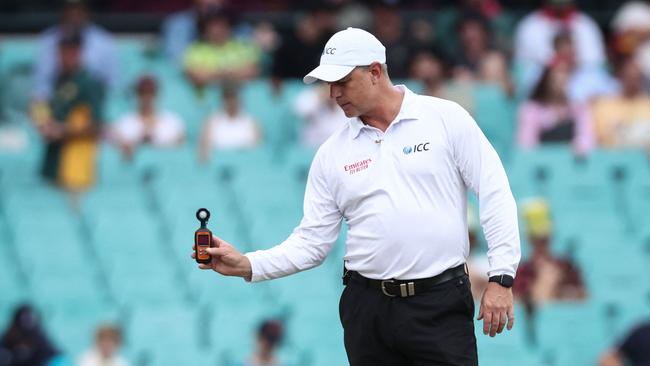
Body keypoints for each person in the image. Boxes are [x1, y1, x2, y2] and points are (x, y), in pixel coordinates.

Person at [192, 27, 521, 365]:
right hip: (367, 310)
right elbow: (312, 242)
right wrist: (249, 264)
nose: (333, 93)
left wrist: (501, 277)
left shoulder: (445, 119)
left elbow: (494, 191)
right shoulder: (331, 154)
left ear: (375, 71)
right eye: (329, 84)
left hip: (438, 303)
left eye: (342, 82)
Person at [31, 30, 104, 193]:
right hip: (53, 161)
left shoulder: (88, 83)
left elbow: (97, 126)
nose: (66, 57)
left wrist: (63, 131)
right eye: (63, 51)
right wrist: (40, 119)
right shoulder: (58, 79)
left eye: (72, 51)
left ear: (79, 53)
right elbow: (49, 111)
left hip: (75, 164)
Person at [514, 0, 606, 96]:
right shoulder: (529, 26)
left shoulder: (587, 26)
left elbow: (597, 71)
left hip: (582, 94)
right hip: (543, 97)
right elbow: (523, 78)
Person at [32, 0, 116, 101]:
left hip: (92, 106)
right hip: (53, 104)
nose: (73, 14)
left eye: (78, 9)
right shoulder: (47, 40)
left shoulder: (104, 42)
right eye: (70, 9)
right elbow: (41, 85)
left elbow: (112, 86)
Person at [513, 198, 586, 306]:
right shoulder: (521, 272)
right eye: (537, 240)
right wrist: (546, 282)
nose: (541, 245)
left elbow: (584, 298)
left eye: (545, 240)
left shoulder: (567, 267)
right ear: (529, 239)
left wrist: (566, 293)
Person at [516, 59, 596, 155]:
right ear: (547, 80)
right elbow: (526, 144)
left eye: (565, 77)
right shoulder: (531, 110)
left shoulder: (578, 109)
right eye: (555, 78)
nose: (560, 83)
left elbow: (586, 141)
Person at [183, 9, 260, 93]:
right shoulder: (195, 50)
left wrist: (214, 74)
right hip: (206, 100)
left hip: (241, 98)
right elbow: (197, 77)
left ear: (229, 28)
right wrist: (232, 74)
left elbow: (252, 72)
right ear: (204, 31)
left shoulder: (243, 46)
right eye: (213, 27)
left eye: (222, 26)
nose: (218, 31)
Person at [110, 75, 185, 160]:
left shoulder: (172, 121)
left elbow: (181, 145)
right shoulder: (125, 122)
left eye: (151, 93)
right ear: (137, 95)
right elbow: (114, 141)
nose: (147, 98)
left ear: (157, 94)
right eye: (142, 93)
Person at [592, 56, 650, 149]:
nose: (633, 82)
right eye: (630, 77)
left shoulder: (647, 104)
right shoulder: (605, 106)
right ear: (621, 77)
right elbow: (602, 137)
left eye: (637, 78)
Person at [198, 82, 261, 161]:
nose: (231, 102)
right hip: (219, 164)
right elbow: (203, 149)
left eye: (233, 97)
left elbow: (257, 149)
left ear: (239, 99)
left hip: (244, 163)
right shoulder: (211, 121)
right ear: (222, 100)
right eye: (227, 98)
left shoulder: (251, 121)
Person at [292, 83, 348, 148]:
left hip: (337, 149)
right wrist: (321, 95)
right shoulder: (313, 94)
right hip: (310, 150)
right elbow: (299, 110)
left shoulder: (345, 106)